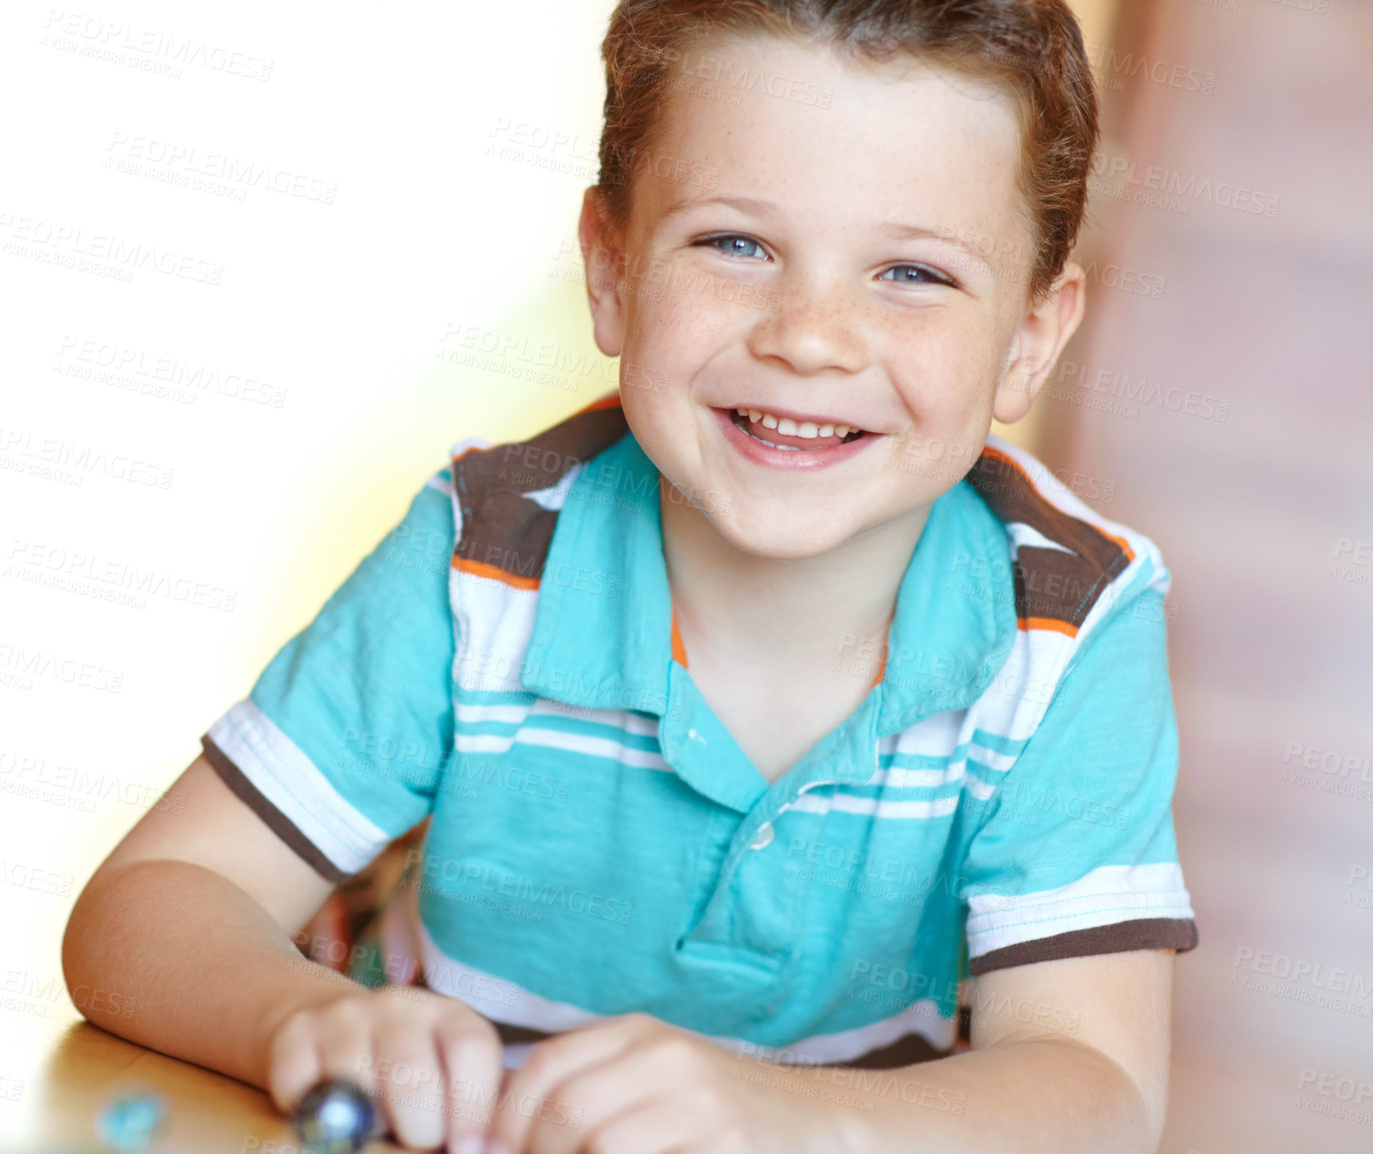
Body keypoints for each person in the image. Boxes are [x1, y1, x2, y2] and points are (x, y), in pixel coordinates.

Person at [62, 2, 1199, 1151]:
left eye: (910, 271)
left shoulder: (1068, 630)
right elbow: (145, 904)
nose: (810, 336)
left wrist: (772, 1117)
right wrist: (294, 1015)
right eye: (735, 244)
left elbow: (1097, 1090)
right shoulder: (484, 558)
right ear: (609, 269)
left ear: (1028, 340)